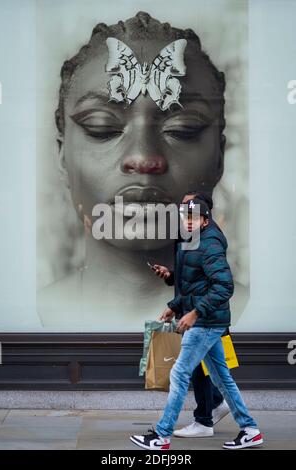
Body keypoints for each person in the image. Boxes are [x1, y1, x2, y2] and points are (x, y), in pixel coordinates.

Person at [38, 11, 247, 329]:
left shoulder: (261, 314)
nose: (144, 158)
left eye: (183, 128)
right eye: (102, 127)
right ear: (62, 155)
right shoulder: (29, 315)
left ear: (219, 156)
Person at [130, 195, 263, 450]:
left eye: (193, 217)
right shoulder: (194, 240)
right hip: (205, 319)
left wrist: (195, 313)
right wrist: (175, 305)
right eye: (185, 216)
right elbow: (194, 283)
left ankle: (162, 435)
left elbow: (224, 286)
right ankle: (250, 429)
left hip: (205, 322)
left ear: (204, 220)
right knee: (222, 379)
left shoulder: (210, 243)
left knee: (179, 374)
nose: (187, 222)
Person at [152, 191, 229, 437]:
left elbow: (218, 284)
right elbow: (191, 276)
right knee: (211, 371)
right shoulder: (192, 234)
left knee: (190, 371)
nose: (183, 210)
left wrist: (193, 311)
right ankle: (222, 412)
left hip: (205, 317)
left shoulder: (209, 238)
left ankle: (200, 420)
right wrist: (171, 279)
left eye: (188, 206)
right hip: (196, 313)